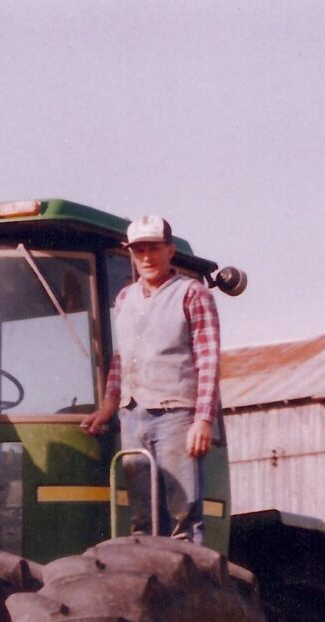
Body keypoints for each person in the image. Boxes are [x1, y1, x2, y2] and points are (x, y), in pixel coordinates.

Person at [80, 215, 221, 544]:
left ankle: (189, 592)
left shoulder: (193, 294)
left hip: (176, 416)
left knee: (182, 515)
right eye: (138, 249)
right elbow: (120, 359)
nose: (146, 257)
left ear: (169, 251)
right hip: (132, 416)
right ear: (130, 253)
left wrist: (202, 420)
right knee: (143, 517)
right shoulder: (125, 299)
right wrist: (108, 406)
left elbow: (208, 358)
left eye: (153, 248)